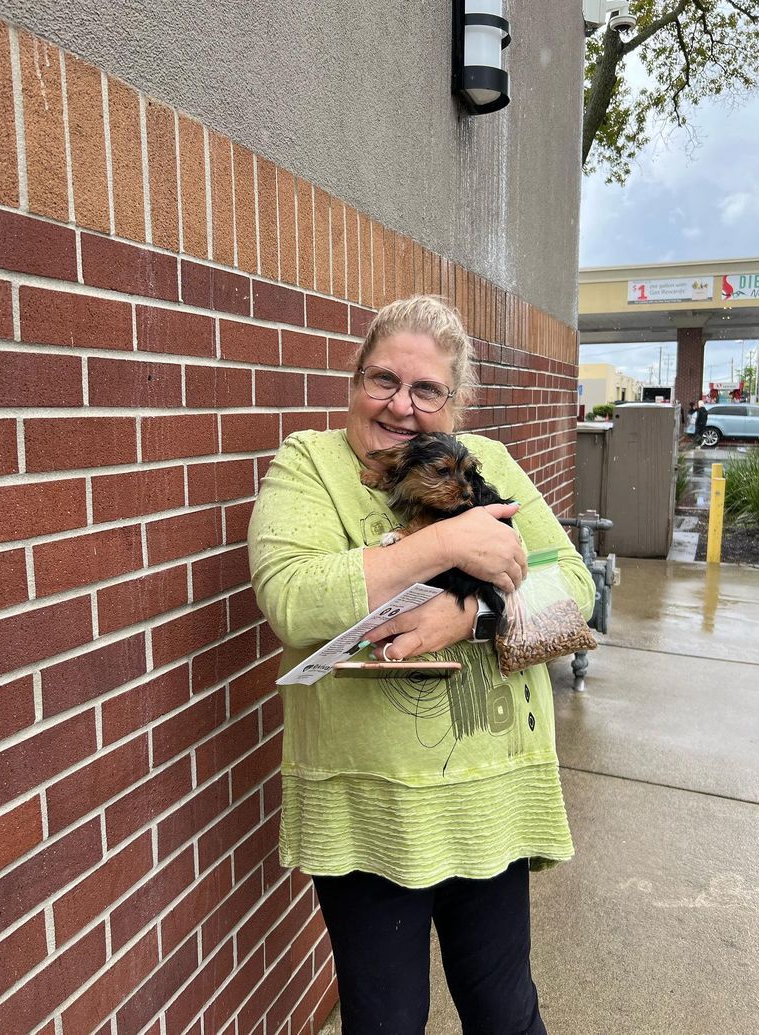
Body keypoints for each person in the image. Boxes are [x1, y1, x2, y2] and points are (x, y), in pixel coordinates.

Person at [248, 295, 595, 1035]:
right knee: (385, 1021)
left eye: (427, 389)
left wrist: (471, 613)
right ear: (353, 380)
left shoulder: (488, 463)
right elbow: (291, 598)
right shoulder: (307, 466)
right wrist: (443, 547)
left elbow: (575, 586)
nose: (401, 405)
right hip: (369, 807)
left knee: (505, 1012)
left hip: (487, 794)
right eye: (382, 380)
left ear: (455, 399)